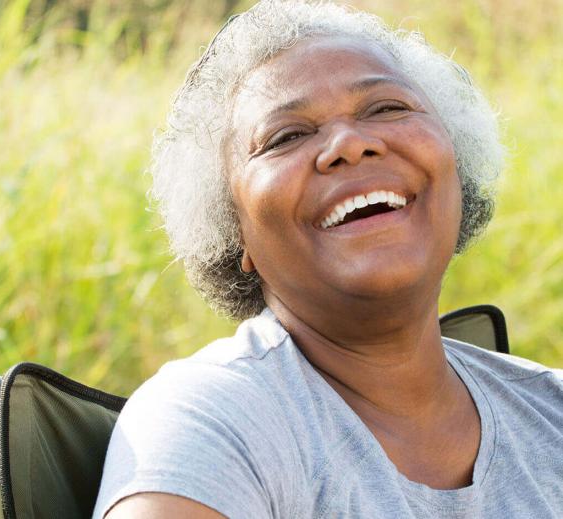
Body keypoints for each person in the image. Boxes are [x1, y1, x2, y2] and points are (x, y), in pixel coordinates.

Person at [93, 1, 563, 517]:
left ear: (457, 166)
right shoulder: (207, 421)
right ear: (235, 233)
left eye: (388, 108)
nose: (350, 143)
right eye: (286, 136)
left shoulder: (551, 409)